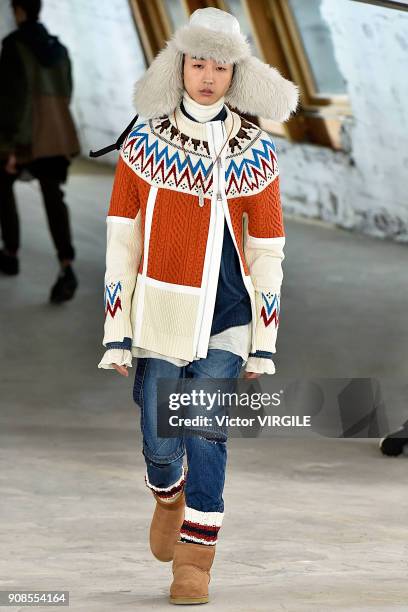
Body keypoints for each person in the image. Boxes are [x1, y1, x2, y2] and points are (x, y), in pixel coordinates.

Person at [97, 7, 298, 605]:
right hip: (160, 313)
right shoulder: (143, 141)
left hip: (229, 316)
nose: (208, 76)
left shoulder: (254, 147)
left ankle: (196, 561)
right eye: (198, 62)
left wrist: (264, 340)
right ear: (179, 65)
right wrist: (117, 328)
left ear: (237, 72)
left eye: (220, 65)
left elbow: (268, 247)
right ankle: (167, 490)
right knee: (161, 439)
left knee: (206, 431)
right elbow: (122, 236)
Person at [0, 0, 80, 303]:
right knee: (53, 197)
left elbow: (12, 99)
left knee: (3, 186)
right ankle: (66, 266)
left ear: (19, 11)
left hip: (26, 135)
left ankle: (10, 253)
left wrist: (8, 146)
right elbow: (68, 91)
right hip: (57, 134)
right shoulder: (58, 48)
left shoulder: (14, 46)